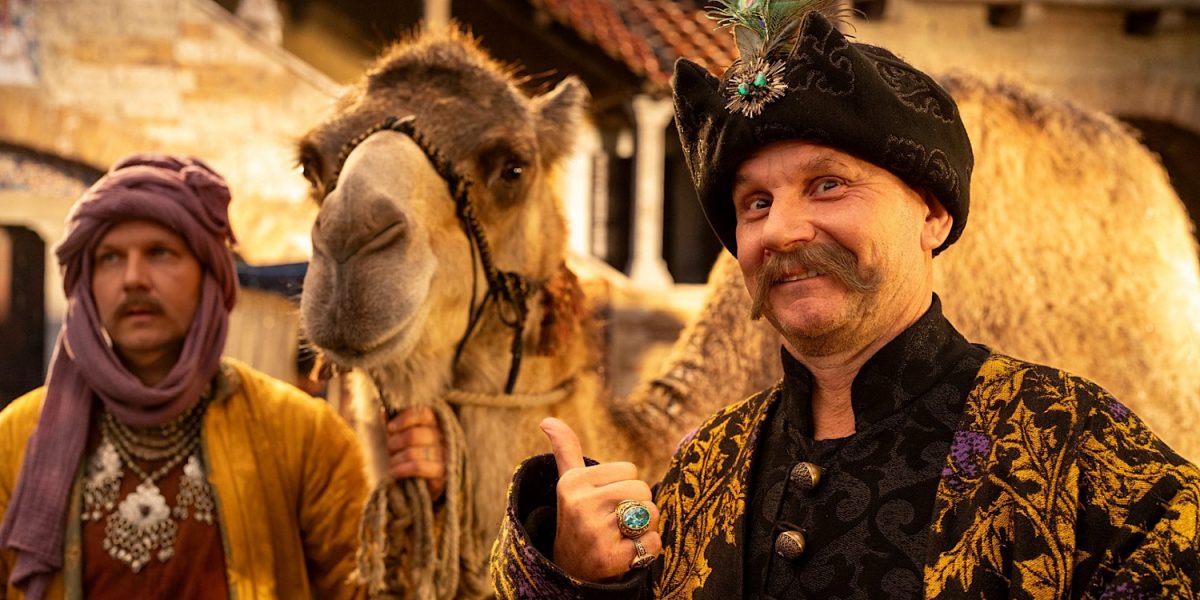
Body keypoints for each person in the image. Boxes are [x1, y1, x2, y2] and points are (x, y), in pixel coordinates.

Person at [488, 7, 1200, 599]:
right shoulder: (707, 465)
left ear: (932, 215)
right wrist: (583, 579)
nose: (781, 231)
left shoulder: (1076, 448)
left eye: (827, 185)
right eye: (756, 202)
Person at [0, 155, 369, 599]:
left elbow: (371, 587)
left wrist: (425, 497)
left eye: (160, 253)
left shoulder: (300, 434)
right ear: (86, 284)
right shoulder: (17, 438)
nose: (133, 279)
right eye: (110, 258)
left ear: (209, 275)